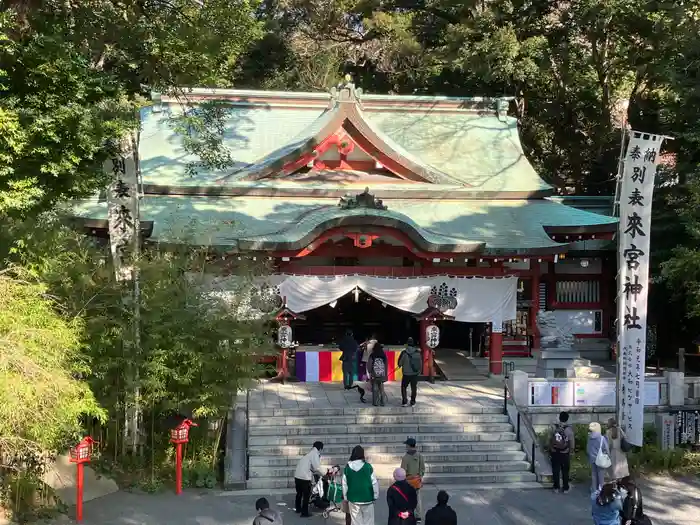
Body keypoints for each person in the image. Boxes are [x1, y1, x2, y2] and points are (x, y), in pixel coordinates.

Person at [342, 445, 379, 525]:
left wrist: (345, 497)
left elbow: (344, 484)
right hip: (367, 498)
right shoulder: (368, 467)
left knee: (355, 521)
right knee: (369, 520)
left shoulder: (347, 468)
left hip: (353, 498)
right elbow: (374, 482)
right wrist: (375, 495)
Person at [294, 441, 324, 517]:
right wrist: (324, 474)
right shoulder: (315, 454)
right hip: (304, 478)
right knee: (306, 496)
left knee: (299, 494)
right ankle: (304, 513)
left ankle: (298, 508)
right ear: (320, 448)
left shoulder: (308, 454)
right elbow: (317, 467)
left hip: (297, 476)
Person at [549, 411, 575, 494]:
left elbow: (550, 439)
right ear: (567, 419)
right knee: (565, 471)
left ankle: (556, 487)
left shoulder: (554, 427)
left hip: (555, 452)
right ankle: (565, 488)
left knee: (555, 470)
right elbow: (571, 441)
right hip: (565, 452)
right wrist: (571, 450)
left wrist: (551, 448)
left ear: (559, 418)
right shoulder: (568, 429)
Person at [400, 438, 425, 521]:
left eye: (406, 445)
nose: (406, 446)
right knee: (417, 499)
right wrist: (420, 477)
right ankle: (418, 517)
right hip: (417, 481)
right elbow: (422, 469)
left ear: (409, 446)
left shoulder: (405, 458)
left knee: (407, 499)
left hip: (408, 481)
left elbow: (403, 471)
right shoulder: (420, 456)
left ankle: (409, 514)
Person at [588, 422, 610, 493]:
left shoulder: (589, 437)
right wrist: (608, 456)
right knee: (601, 475)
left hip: (592, 458)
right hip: (600, 459)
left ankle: (594, 489)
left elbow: (587, 448)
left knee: (594, 474)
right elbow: (606, 448)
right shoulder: (602, 438)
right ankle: (601, 490)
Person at [398, 338, 421, 407]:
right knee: (414, 388)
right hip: (415, 374)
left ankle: (404, 402)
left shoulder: (404, 353)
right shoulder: (417, 353)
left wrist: (401, 364)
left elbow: (400, 363)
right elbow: (420, 363)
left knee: (404, 387)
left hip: (406, 373)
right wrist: (418, 371)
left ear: (407, 344)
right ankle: (413, 402)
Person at [368, 342, 388, 406]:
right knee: (381, 388)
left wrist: (370, 372)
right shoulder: (383, 355)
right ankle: (382, 402)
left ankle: (375, 402)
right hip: (382, 374)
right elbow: (386, 365)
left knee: (375, 388)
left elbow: (369, 365)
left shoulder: (372, 355)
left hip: (374, 374)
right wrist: (385, 375)